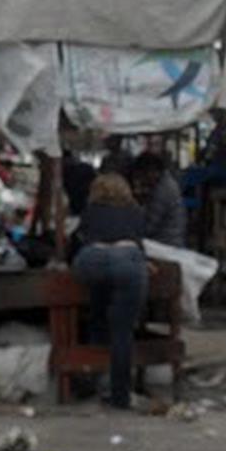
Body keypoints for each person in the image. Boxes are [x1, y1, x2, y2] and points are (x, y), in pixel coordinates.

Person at [70, 173, 148, 409]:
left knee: (97, 312)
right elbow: (138, 243)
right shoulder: (136, 212)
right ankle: (120, 396)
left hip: (92, 260)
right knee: (123, 332)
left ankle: (92, 378)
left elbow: (78, 240)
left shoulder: (91, 210)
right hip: (127, 260)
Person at [131, 152, 186, 247]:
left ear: (151, 171)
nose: (142, 180)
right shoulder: (165, 182)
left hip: (166, 244)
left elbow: (149, 227)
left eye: (142, 176)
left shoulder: (163, 191)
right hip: (168, 240)